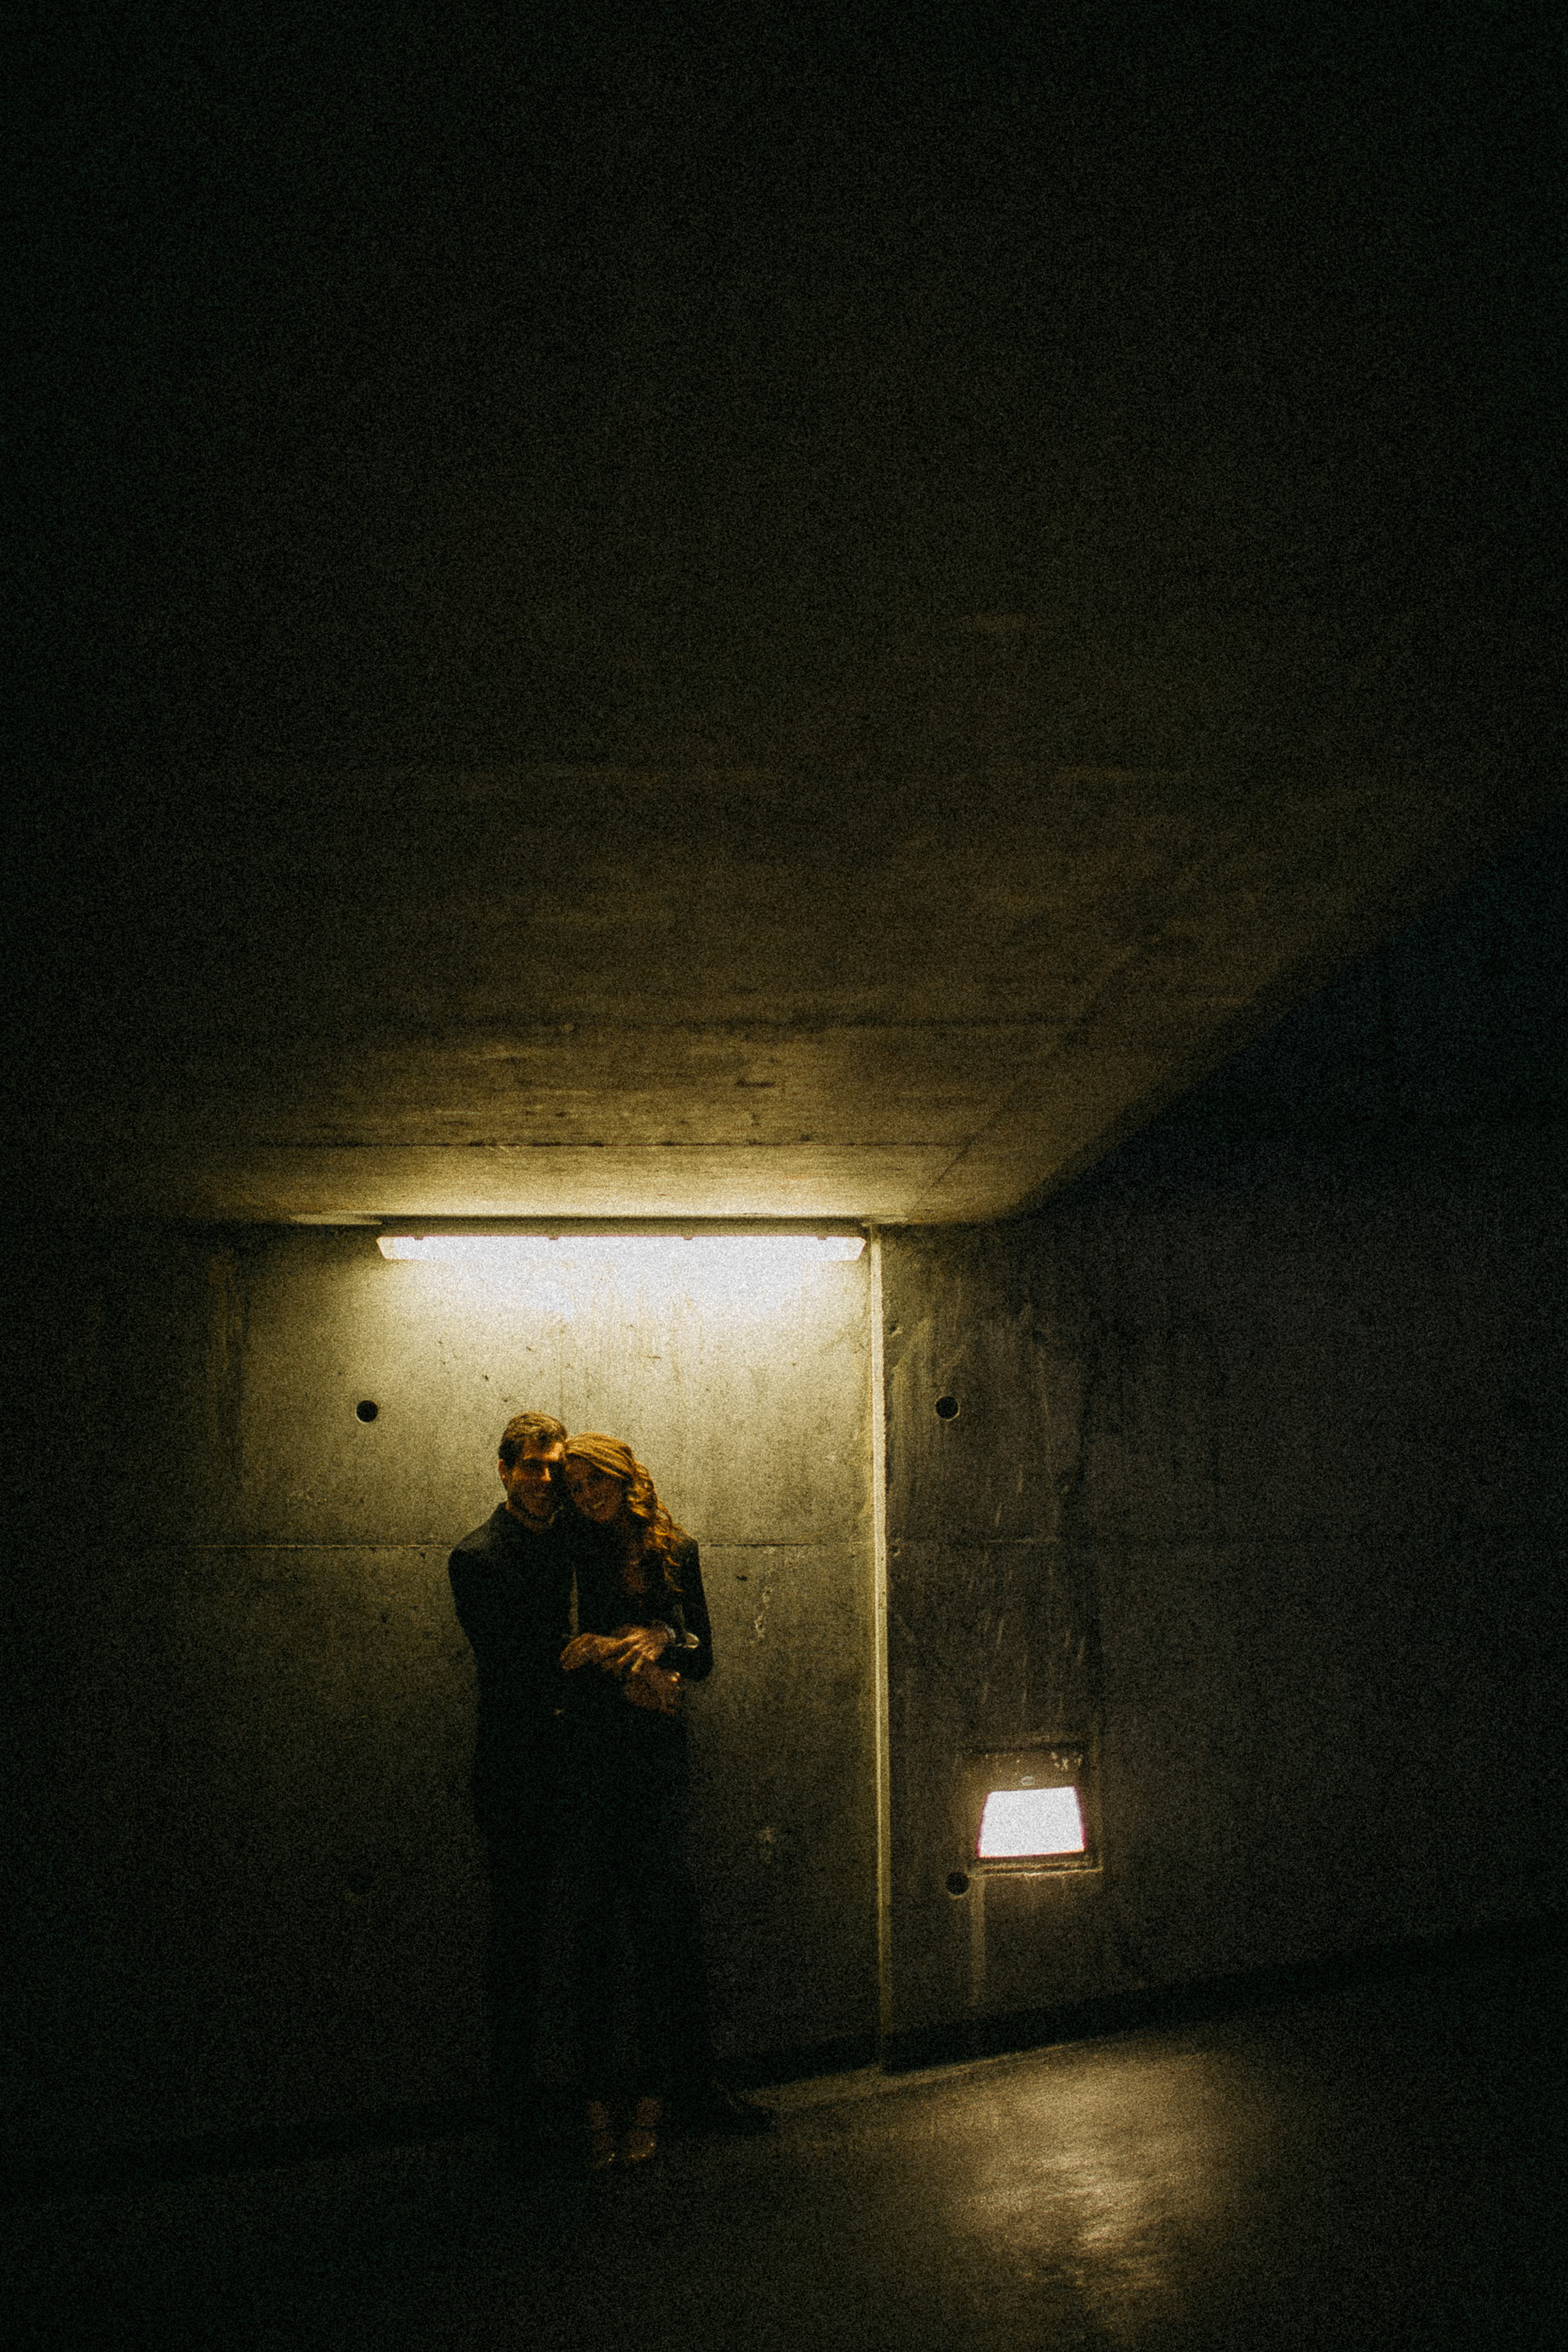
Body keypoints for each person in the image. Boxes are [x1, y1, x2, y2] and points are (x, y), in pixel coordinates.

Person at [558, 1432, 773, 2167]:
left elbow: (702, 1653)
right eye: (576, 1487)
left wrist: (660, 1640)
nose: (586, 1498)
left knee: (659, 1930)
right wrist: (605, 1656)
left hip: (652, 1758)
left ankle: (654, 2102)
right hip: (586, 1757)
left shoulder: (672, 1550)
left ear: (624, 1479)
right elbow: (551, 1654)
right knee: (590, 1934)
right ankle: (596, 2109)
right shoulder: (566, 1550)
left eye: (596, 1484)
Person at [448, 1409, 585, 2171]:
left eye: (554, 1467)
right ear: (504, 1470)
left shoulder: (581, 1539)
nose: (543, 1479)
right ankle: (515, 2115)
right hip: (517, 1774)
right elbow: (516, 1668)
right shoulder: (477, 1557)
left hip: (589, 1768)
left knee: (595, 1932)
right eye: (530, 1466)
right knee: (518, 1942)